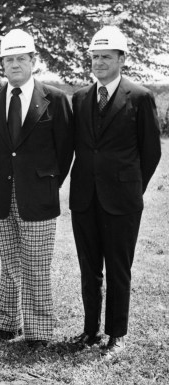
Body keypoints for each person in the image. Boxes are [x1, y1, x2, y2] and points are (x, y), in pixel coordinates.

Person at [70, 26, 161, 359]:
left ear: (122, 59)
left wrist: (131, 187)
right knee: (89, 268)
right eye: (94, 57)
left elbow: (151, 152)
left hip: (122, 201)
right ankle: (90, 330)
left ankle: (116, 334)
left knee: (118, 269)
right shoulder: (80, 98)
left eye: (106, 57)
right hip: (84, 198)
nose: (99, 63)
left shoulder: (139, 97)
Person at [0, 29, 73, 348]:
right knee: (10, 262)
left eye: (21, 58)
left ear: (33, 61)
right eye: (9, 60)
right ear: (2, 64)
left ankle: (37, 331)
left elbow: (65, 151)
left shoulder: (56, 99)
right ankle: (7, 323)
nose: (15, 64)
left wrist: (46, 183)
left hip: (39, 195)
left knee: (35, 264)